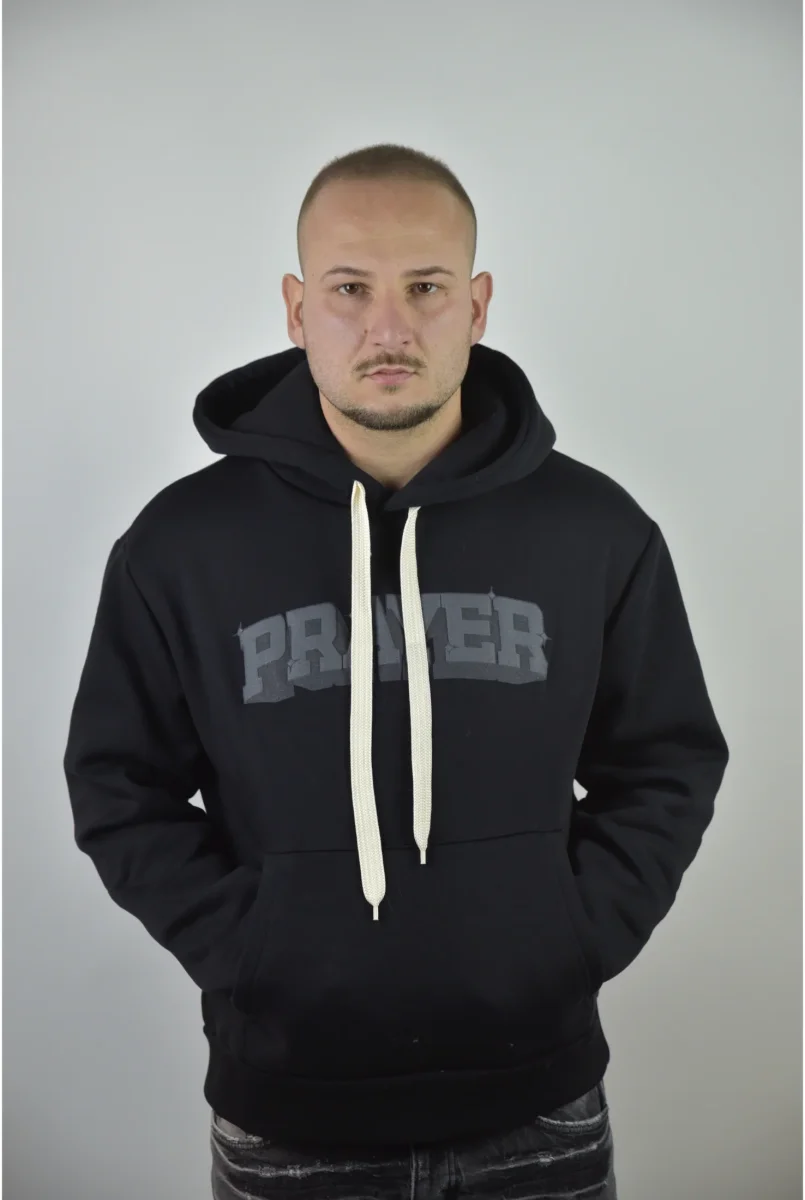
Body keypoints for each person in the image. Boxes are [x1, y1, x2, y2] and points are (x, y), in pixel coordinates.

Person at [63, 142, 729, 1199]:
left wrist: (564, 941)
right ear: (296, 309)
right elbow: (117, 785)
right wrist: (251, 952)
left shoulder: (593, 531)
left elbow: (665, 763)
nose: (388, 327)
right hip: (288, 1113)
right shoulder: (182, 546)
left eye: (425, 287)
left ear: (477, 304)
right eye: (348, 289)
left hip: (538, 1103)